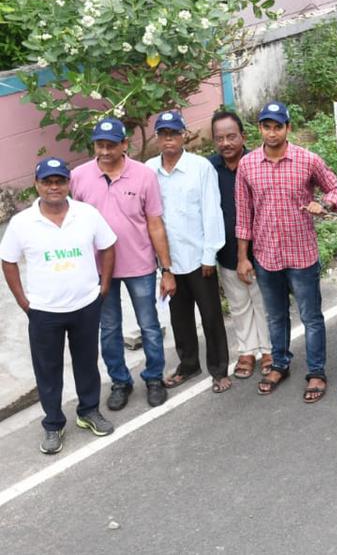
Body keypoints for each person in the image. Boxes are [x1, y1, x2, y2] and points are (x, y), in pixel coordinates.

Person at [2, 158, 116, 454]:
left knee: (87, 363)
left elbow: (108, 245)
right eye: (47, 181)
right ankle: (53, 424)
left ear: (68, 183)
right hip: (44, 313)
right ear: (37, 185)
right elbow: (8, 260)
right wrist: (22, 300)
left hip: (85, 306)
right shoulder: (22, 223)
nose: (54, 187)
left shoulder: (86, 214)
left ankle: (89, 411)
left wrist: (104, 286)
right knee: (48, 371)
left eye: (60, 181)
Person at [235, 101, 337, 404]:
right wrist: (243, 257)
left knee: (311, 316)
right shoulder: (247, 165)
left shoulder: (307, 160)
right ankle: (280, 364)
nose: (272, 133)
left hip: (301, 254)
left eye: (278, 126)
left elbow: (335, 188)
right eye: (266, 126)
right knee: (276, 316)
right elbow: (244, 214)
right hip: (266, 255)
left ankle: (316, 371)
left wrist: (325, 205)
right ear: (259, 129)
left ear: (288, 128)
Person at [70, 117, 175, 410]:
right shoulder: (79, 177)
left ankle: (154, 378)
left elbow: (155, 223)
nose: (104, 151)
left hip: (139, 264)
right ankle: (120, 381)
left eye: (111, 145)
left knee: (149, 326)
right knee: (109, 328)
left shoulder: (143, 175)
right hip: (99, 269)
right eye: (99, 145)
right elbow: (74, 225)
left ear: (124, 145)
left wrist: (166, 269)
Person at [146, 111, 230, 395]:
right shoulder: (149, 170)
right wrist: (160, 265)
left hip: (198, 257)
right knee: (179, 316)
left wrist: (210, 254)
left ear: (184, 136)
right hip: (168, 260)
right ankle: (189, 364)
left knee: (210, 316)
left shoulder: (200, 167)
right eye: (163, 134)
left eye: (174, 133)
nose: (169, 139)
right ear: (157, 138)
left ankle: (219, 369)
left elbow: (211, 210)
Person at [209, 111, 272, 380]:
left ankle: (270, 351)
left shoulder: (259, 163)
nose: (226, 143)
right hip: (226, 251)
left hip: (260, 249)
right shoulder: (209, 169)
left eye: (231, 136)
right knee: (238, 304)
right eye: (219, 138)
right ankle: (247, 351)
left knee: (263, 302)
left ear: (243, 137)